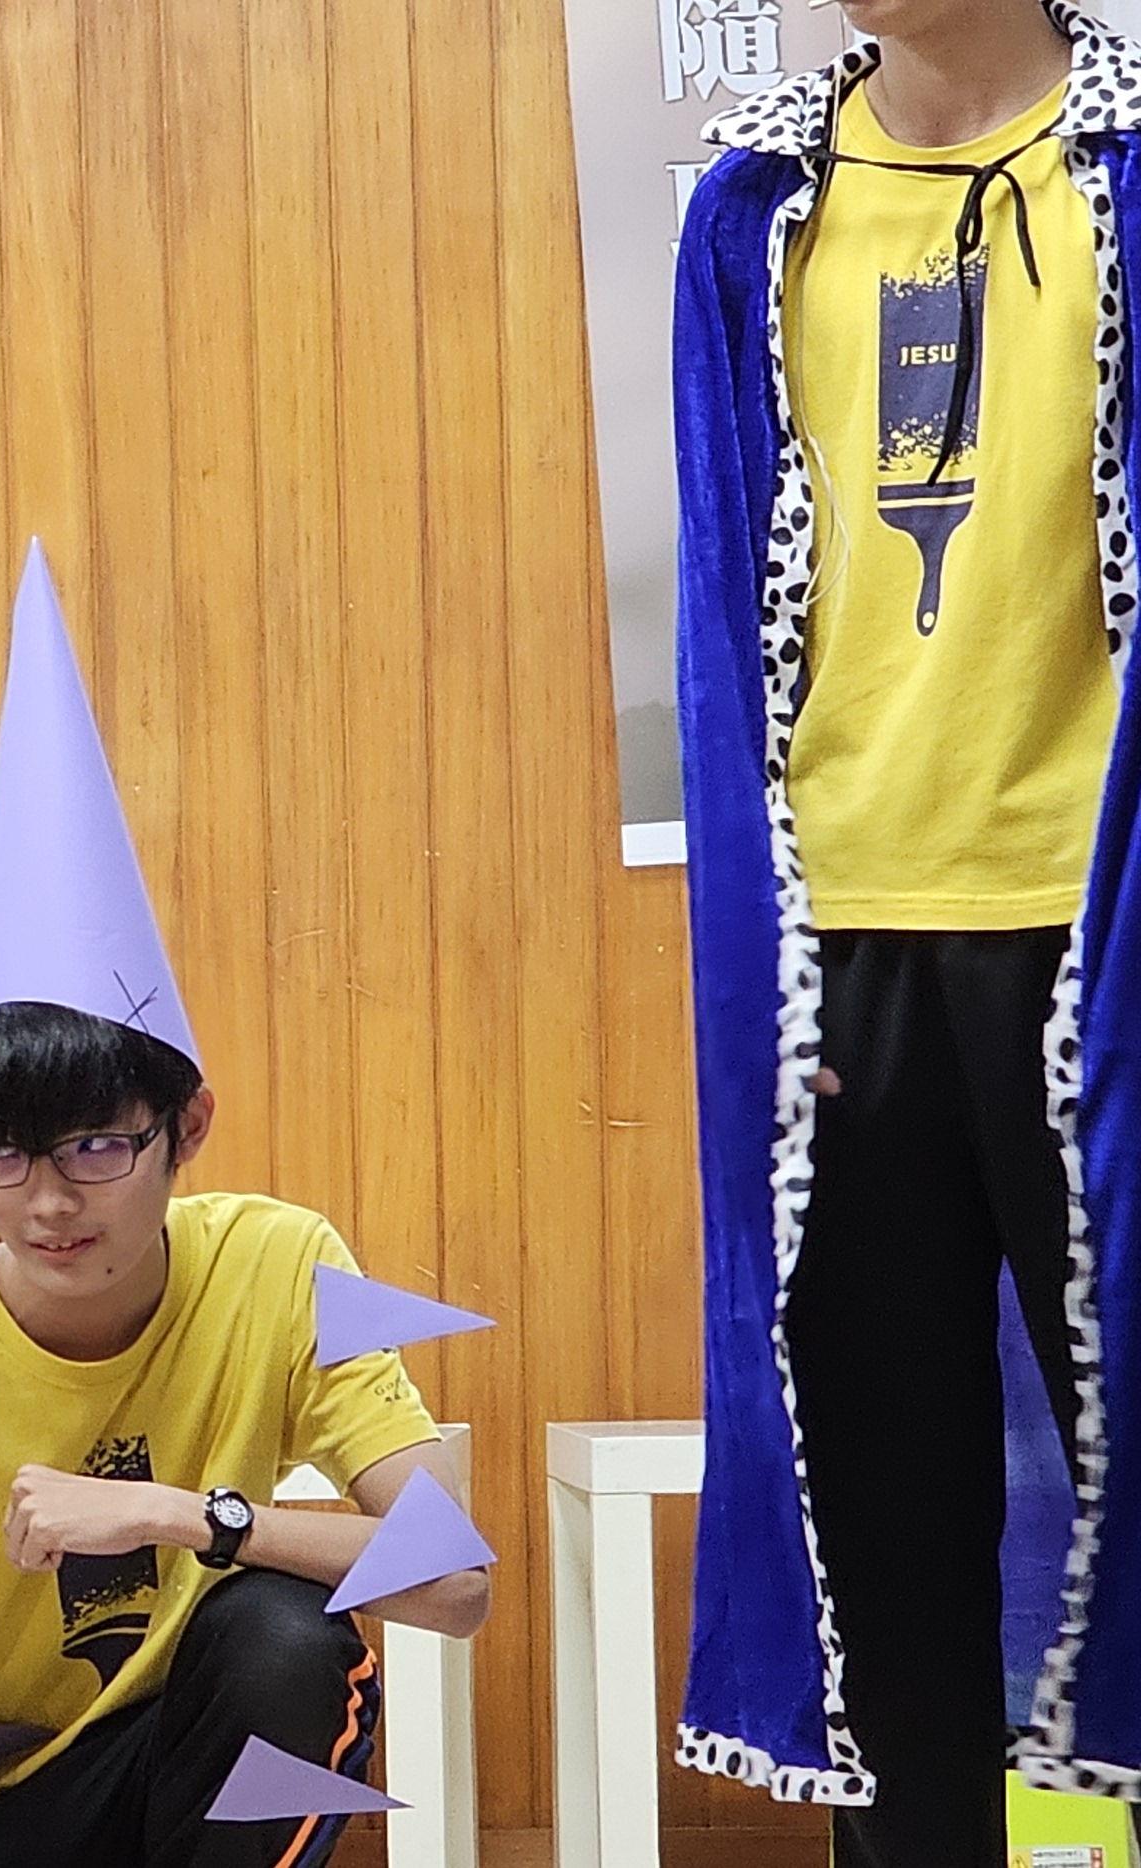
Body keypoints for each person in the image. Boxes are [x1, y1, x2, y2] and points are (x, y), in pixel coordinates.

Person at [0, 552, 492, 1868]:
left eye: (97, 1146)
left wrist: (182, 1516)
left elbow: (453, 1580)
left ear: (188, 1128)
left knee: (280, 1634)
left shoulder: (278, 1267)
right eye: (2, 1154)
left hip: (176, 1782)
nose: (48, 1202)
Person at [672, 0, 1141, 1837]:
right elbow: (723, 616)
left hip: (1101, 923)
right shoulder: (754, 202)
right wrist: (761, 980)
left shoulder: (1125, 167)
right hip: (840, 959)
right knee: (885, 1564)